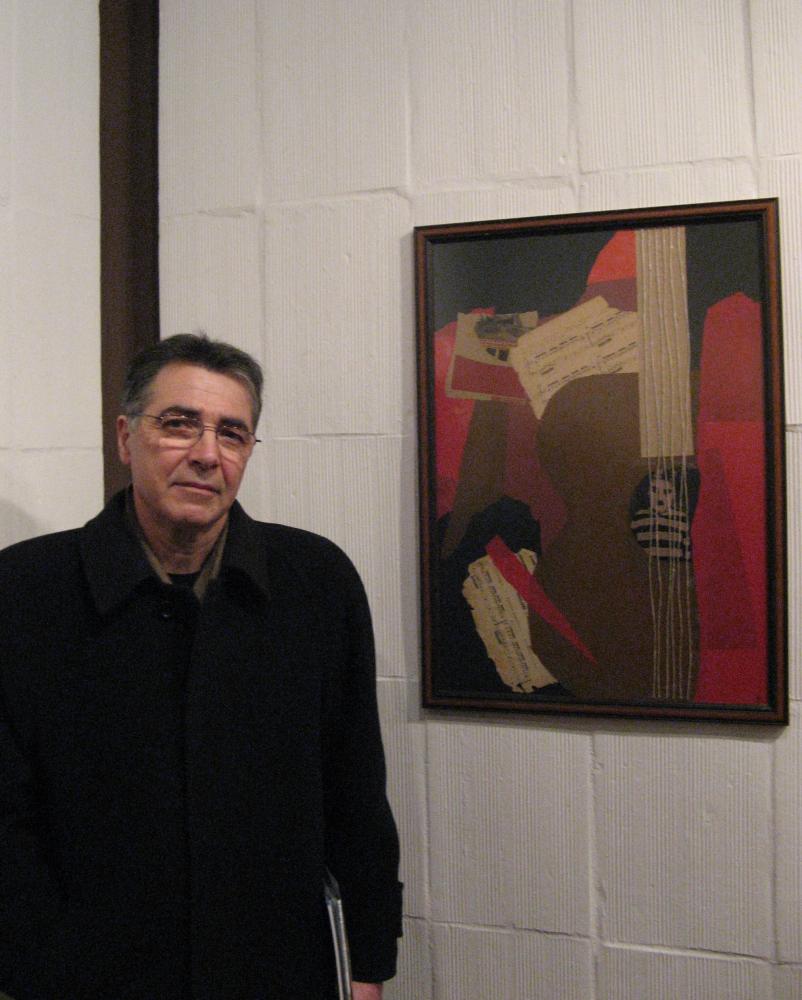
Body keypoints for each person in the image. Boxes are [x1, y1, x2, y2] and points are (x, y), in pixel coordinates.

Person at [0, 334, 402, 1000]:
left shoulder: (316, 584)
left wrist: (366, 963)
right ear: (126, 438)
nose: (207, 454)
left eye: (232, 433)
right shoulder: (24, 592)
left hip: (279, 971)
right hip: (87, 977)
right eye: (179, 425)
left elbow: (356, 790)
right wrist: (37, 968)